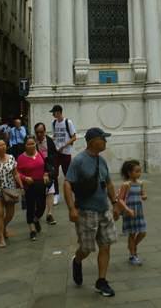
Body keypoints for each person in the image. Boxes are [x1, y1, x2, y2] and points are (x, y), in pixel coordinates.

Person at [64, 128, 120, 298]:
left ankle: (101, 281)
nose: (105, 141)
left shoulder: (102, 161)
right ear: (93, 141)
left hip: (104, 210)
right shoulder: (79, 161)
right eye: (103, 138)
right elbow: (67, 184)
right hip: (86, 212)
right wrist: (72, 208)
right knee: (86, 248)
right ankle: (78, 260)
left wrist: (115, 203)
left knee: (106, 245)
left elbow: (108, 183)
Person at [17, 135, 53, 240]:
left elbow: (46, 166)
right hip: (29, 185)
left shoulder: (39, 153)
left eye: (33, 143)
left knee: (41, 206)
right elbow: (17, 173)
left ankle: (36, 219)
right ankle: (32, 229)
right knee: (30, 207)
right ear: (25, 145)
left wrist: (46, 174)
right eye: (29, 144)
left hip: (41, 184)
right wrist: (25, 178)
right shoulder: (21, 158)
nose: (31, 146)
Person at [118, 160, 147, 265]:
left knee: (143, 232)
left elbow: (143, 194)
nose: (139, 173)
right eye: (137, 171)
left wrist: (144, 196)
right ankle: (132, 255)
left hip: (139, 211)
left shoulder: (140, 183)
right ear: (129, 173)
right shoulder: (126, 184)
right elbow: (120, 199)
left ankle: (132, 247)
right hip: (129, 211)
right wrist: (127, 209)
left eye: (140, 171)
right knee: (132, 233)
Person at [50, 104, 77, 205]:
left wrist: (63, 146)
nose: (53, 114)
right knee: (54, 174)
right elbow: (55, 136)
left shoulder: (67, 122)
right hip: (56, 153)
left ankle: (75, 193)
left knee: (68, 175)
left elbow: (74, 137)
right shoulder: (53, 123)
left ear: (59, 112)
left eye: (54, 112)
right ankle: (56, 194)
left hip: (66, 152)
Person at [34, 122, 58, 225]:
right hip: (36, 168)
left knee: (50, 190)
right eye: (37, 132)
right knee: (39, 193)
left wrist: (51, 171)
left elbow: (54, 156)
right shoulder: (32, 142)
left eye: (41, 132)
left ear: (45, 131)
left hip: (48, 167)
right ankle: (37, 213)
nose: (39, 134)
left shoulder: (49, 141)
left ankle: (50, 214)